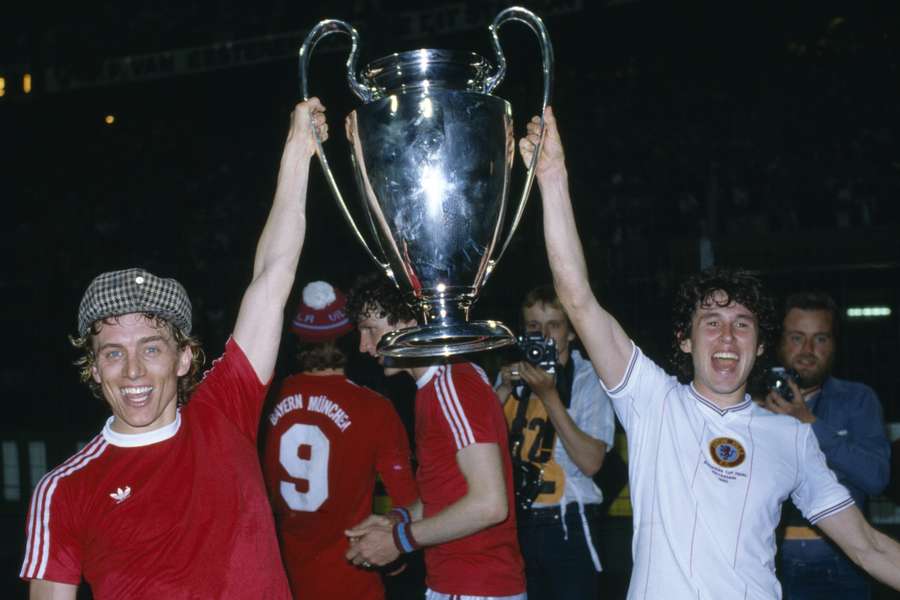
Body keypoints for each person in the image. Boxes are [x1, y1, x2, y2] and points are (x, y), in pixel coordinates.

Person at [519, 106, 900, 598]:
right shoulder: (652, 401)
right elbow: (577, 298)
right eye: (711, 323)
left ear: (760, 346)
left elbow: (869, 547)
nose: (726, 337)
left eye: (742, 325)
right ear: (684, 338)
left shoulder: (793, 438)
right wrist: (552, 177)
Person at [19, 99, 328, 599]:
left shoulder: (225, 410)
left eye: (152, 348)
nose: (132, 371)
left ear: (184, 357)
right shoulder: (65, 489)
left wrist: (298, 149)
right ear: (93, 369)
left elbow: (273, 275)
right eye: (113, 353)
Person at [343, 275, 526, 600]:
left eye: (371, 328)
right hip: (465, 584)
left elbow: (490, 505)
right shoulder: (438, 385)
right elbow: (446, 496)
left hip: (473, 585)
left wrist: (400, 540)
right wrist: (394, 520)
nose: (364, 346)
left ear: (413, 323)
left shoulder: (451, 383)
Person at [261, 280, 418, 600]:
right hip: (352, 577)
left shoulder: (262, 404)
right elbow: (407, 497)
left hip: (278, 576)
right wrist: (397, 553)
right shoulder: (375, 408)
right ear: (350, 337)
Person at [758, 291, 890, 599]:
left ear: (834, 345)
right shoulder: (753, 406)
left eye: (820, 339)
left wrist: (809, 422)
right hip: (767, 565)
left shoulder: (859, 401)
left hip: (843, 567)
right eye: (796, 338)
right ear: (779, 343)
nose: (807, 350)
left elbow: (876, 478)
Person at [494, 284, 615, 600]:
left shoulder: (591, 379)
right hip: (514, 521)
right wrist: (503, 391)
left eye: (554, 325)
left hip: (567, 520)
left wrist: (550, 397)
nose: (544, 335)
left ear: (571, 332)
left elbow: (591, 462)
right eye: (534, 326)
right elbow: (477, 446)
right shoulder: (511, 377)